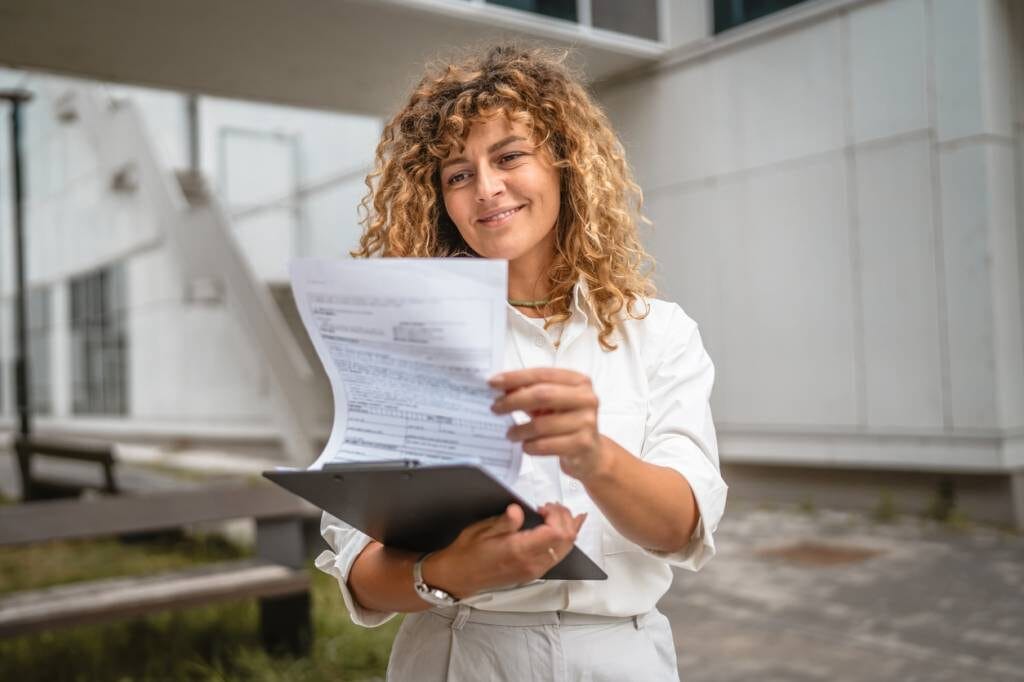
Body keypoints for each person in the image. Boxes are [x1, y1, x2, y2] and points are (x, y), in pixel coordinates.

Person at [316, 45, 728, 681]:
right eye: (457, 174)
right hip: (459, 653)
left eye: (509, 156)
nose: (487, 189)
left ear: (565, 162)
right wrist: (455, 572)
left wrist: (595, 455)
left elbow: (682, 529)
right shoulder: (408, 336)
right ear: (439, 201)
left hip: (619, 659)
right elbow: (360, 574)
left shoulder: (659, 333)